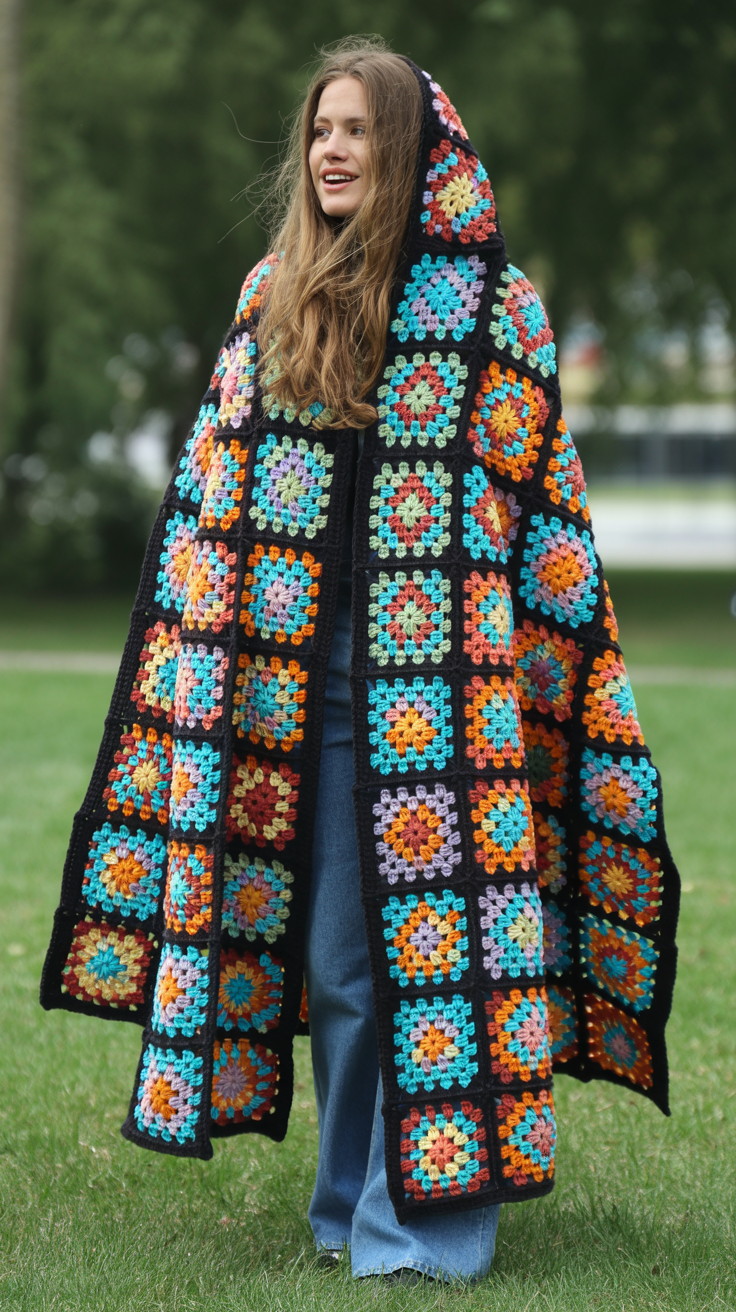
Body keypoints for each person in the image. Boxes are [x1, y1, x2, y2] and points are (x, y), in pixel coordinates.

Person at [41, 35, 680, 1288]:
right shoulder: (271, 292)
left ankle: (424, 1228)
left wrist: (525, 668)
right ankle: (345, 1206)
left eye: (358, 130)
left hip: (446, 704)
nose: (333, 149)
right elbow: (212, 509)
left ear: (412, 156)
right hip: (294, 700)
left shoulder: (494, 310)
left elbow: (530, 506)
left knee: (436, 964)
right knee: (336, 968)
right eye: (320, 130)